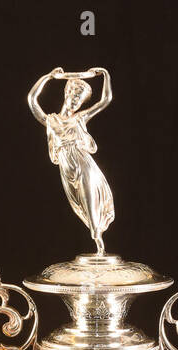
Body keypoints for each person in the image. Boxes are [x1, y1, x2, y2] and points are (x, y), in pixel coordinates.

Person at [28, 67, 115, 255]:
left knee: (89, 192)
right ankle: (95, 233)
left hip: (81, 159)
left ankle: (97, 235)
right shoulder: (52, 120)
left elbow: (105, 100)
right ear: (67, 94)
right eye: (74, 96)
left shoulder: (80, 119)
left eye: (80, 99)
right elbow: (32, 100)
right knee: (79, 201)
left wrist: (105, 75)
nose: (76, 102)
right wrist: (48, 77)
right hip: (66, 165)